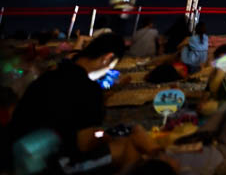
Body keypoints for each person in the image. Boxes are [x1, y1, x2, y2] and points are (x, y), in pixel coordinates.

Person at [9, 33, 158, 173]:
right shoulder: (88, 88)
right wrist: (108, 137)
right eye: (111, 67)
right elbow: (85, 143)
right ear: (107, 58)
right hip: (46, 165)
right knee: (127, 149)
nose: (107, 72)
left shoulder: (49, 75)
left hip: (16, 154)